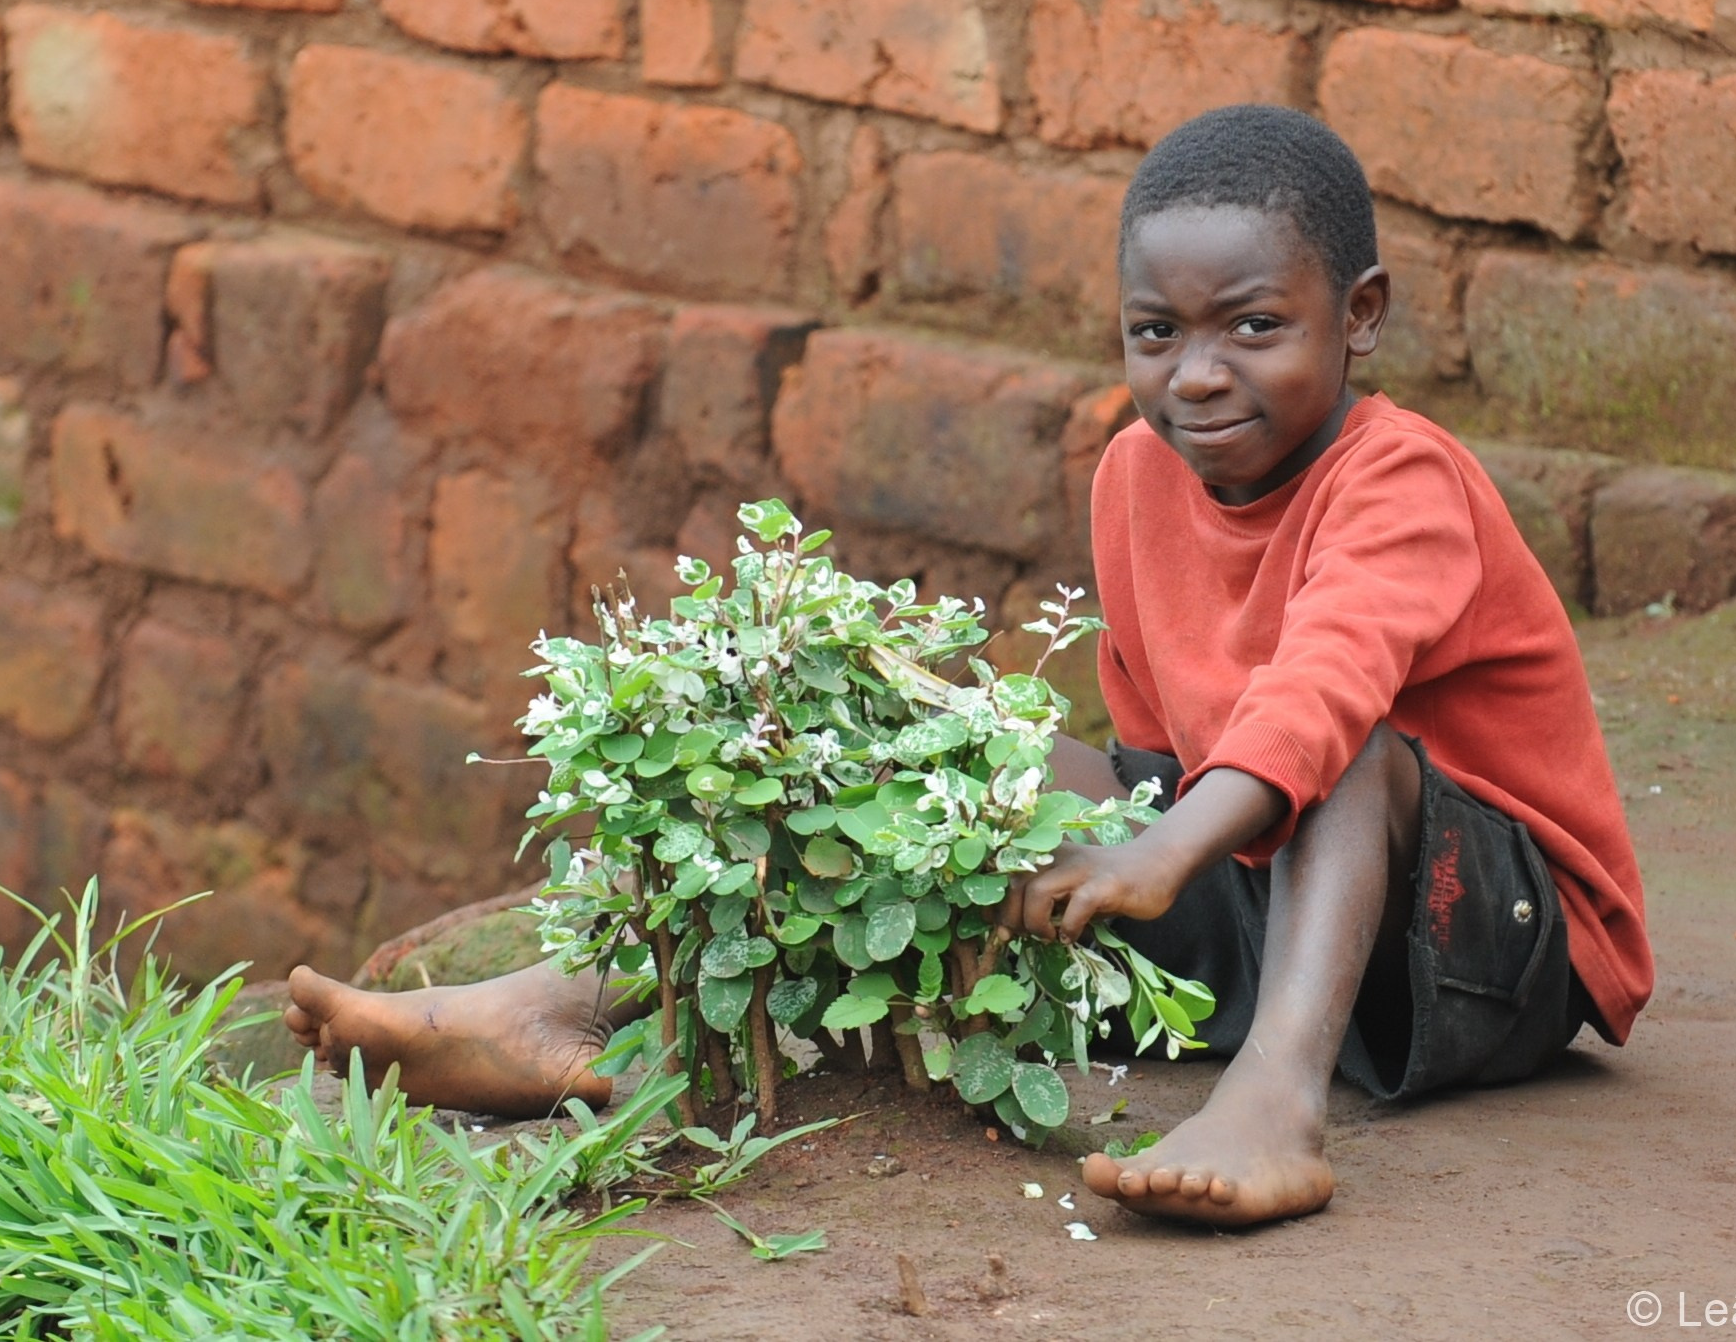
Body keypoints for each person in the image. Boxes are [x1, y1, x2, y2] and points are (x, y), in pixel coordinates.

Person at [286, 105, 1652, 1228]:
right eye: (1156, 333)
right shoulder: (1137, 476)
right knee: (951, 749)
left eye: (1253, 327)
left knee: (1342, 753)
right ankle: (565, 1004)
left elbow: (1324, 690)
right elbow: (1151, 740)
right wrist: (1063, 824)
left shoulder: (1402, 478)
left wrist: (1164, 848)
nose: (1197, 376)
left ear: (1359, 316)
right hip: (1265, 902)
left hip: (1500, 951)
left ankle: (1275, 1108)